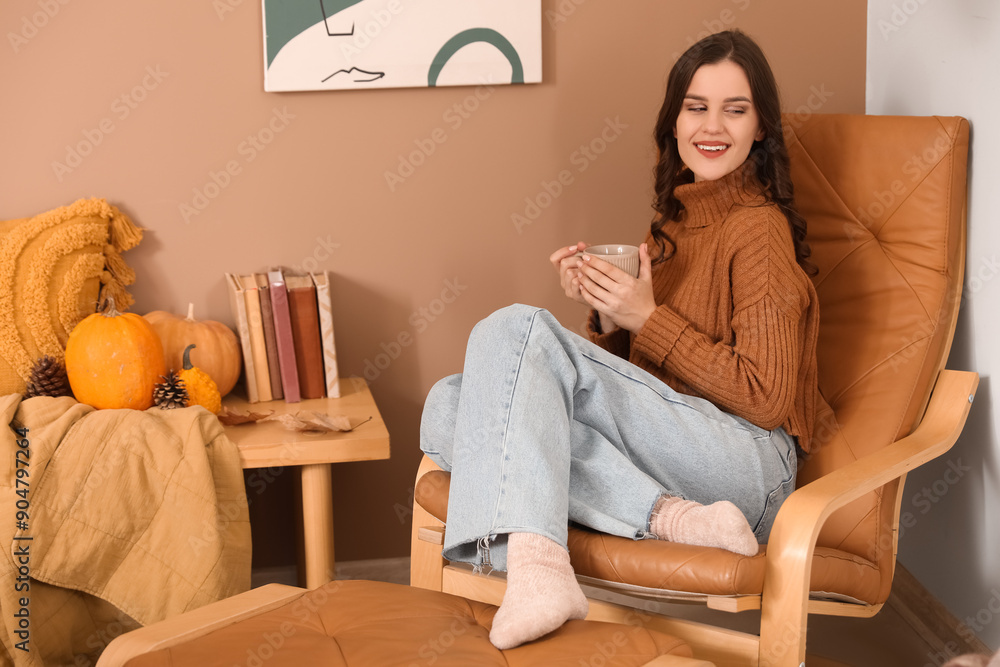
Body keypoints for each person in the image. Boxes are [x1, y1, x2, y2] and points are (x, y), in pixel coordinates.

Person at [419, 29, 820, 650]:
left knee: (514, 331)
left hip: (753, 468)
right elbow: (654, 384)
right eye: (696, 106)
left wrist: (645, 318)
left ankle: (536, 565)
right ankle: (674, 518)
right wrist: (608, 313)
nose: (712, 126)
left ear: (761, 126)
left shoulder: (759, 231)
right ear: (674, 120)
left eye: (734, 110)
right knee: (452, 400)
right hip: (687, 467)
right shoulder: (676, 225)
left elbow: (765, 397)